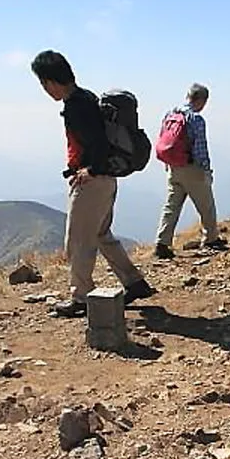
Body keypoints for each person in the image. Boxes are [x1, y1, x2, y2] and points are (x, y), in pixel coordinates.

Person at [30, 50, 155, 318]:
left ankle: (82, 297)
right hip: (107, 179)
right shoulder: (87, 97)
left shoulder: (77, 105)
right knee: (100, 235)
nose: (45, 90)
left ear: (51, 81)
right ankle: (135, 283)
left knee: (77, 240)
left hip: (93, 182)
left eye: (43, 83)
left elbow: (96, 143)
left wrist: (90, 169)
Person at [154, 83, 226, 259]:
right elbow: (200, 148)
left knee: (171, 206)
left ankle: (162, 243)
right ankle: (211, 239)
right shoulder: (195, 118)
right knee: (206, 205)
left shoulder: (171, 114)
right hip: (191, 168)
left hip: (173, 167)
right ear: (201, 100)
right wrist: (206, 171)